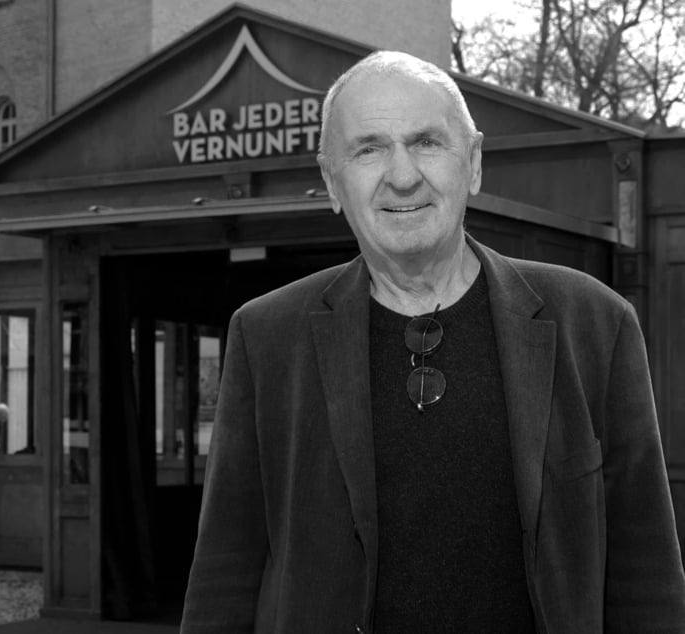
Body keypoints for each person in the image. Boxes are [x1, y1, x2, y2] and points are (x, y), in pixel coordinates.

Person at [181, 50, 685, 632]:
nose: (401, 175)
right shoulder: (264, 336)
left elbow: (645, 574)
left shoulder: (595, 323)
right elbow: (226, 570)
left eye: (426, 141)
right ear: (331, 181)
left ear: (471, 163)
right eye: (368, 148)